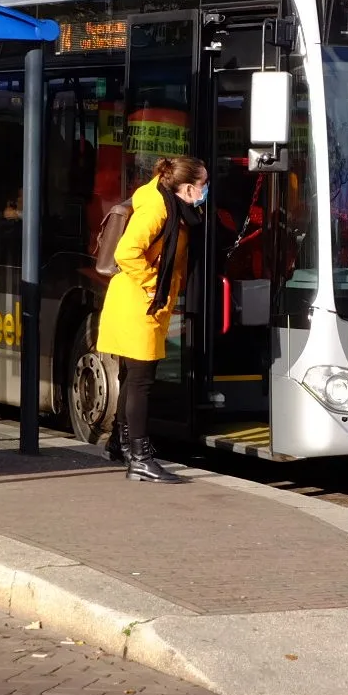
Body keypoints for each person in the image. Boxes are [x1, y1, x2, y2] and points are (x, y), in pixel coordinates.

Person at [95, 155, 207, 484]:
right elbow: (126, 252)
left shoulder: (168, 202)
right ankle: (141, 459)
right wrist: (152, 285)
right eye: (203, 184)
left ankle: (120, 445)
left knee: (132, 377)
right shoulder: (158, 208)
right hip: (138, 304)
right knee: (141, 382)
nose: (205, 191)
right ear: (187, 187)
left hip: (141, 303)